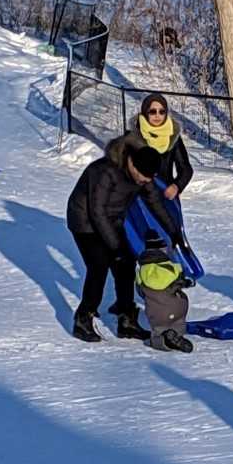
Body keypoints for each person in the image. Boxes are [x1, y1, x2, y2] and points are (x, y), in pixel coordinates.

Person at [66, 138, 180, 344]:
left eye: (149, 178)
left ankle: (127, 320)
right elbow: (97, 211)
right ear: (132, 165)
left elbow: (154, 201)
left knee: (126, 263)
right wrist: (115, 246)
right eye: (143, 177)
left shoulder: (143, 171)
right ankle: (83, 318)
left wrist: (173, 231)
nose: (145, 182)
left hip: (113, 218)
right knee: (98, 265)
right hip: (84, 220)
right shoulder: (104, 171)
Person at [121, 93, 193, 201]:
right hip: (138, 199)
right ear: (145, 112)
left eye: (162, 111)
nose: (157, 115)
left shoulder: (173, 137)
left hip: (165, 195)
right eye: (152, 111)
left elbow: (186, 169)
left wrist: (176, 186)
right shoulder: (132, 137)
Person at [137, 234, 193, 354]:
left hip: (156, 312)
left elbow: (140, 292)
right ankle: (176, 335)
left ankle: (163, 339)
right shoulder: (172, 268)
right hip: (177, 307)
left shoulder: (141, 271)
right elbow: (181, 283)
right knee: (178, 323)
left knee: (157, 332)